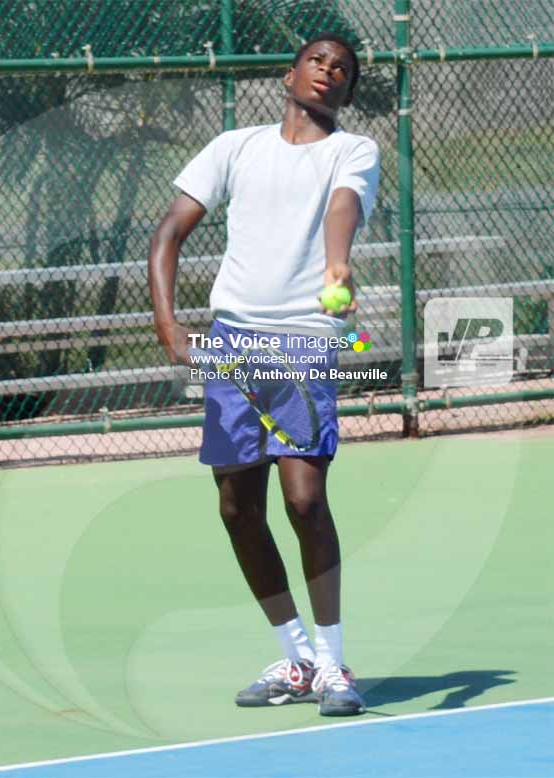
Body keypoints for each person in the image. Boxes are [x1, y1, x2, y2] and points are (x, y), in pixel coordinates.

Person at [148, 32, 380, 716]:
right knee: (236, 507)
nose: (328, 71)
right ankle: (297, 657)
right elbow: (169, 232)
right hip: (233, 345)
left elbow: (342, 208)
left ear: (347, 90)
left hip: (302, 342)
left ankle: (334, 665)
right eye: (317, 60)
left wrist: (337, 263)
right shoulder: (235, 147)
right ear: (290, 73)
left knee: (304, 501)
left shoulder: (353, 151)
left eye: (341, 69)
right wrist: (168, 326)